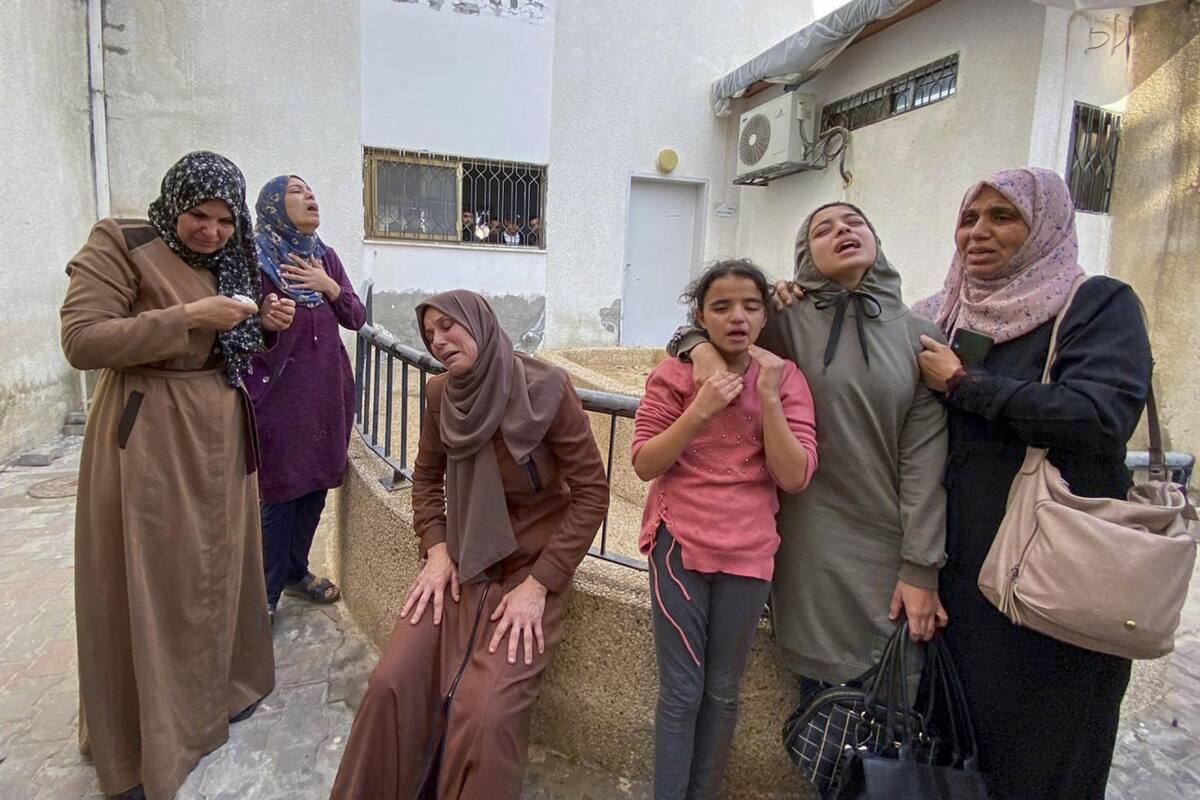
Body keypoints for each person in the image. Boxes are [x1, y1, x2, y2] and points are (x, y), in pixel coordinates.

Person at [60, 151, 295, 800]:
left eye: (226, 220)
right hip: (152, 436)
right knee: (153, 579)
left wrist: (263, 325)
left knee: (218, 569)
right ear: (173, 203)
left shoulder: (233, 257)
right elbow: (83, 340)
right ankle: (144, 745)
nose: (212, 232)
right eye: (199, 215)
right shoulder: (122, 241)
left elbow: (232, 341)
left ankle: (222, 694)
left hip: (220, 427)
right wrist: (189, 317)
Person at [913, 167, 1152, 800]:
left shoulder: (1096, 305)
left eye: (1003, 217)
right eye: (969, 218)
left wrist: (965, 385)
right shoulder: (943, 315)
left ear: (1045, 226)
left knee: (1044, 757)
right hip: (964, 584)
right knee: (959, 756)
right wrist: (789, 298)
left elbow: (1100, 415)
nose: (978, 232)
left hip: (1055, 582)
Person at [330, 290, 610, 800]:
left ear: (479, 323)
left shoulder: (547, 389)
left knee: (486, 714)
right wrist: (436, 550)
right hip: (460, 564)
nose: (438, 341)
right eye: (429, 333)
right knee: (390, 684)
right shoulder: (442, 395)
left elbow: (592, 493)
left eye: (448, 326)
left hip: (529, 570)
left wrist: (540, 585)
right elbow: (425, 477)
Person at [669, 203, 948, 697]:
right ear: (806, 253)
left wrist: (920, 565)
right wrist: (703, 350)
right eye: (824, 229)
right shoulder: (785, 319)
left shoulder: (917, 335)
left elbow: (924, 459)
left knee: (894, 690)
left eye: (854, 222)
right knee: (821, 695)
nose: (842, 230)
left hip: (887, 539)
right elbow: (696, 327)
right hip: (810, 536)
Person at [633, 259, 818, 800]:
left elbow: (794, 475)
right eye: (721, 306)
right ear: (700, 317)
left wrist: (769, 397)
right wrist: (700, 409)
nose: (737, 317)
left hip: (749, 551)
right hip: (679, 546)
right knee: (681, 690)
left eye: (750, 306)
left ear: (765, 315)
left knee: (722, 691)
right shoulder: (674, 376)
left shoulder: (786, 378)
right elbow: (644, 462)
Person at [247, 175, 367, 625]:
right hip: (278, 397)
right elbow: (236, 330)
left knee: (316, 485)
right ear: (273, 205)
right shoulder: (254, 259)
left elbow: (355, 316)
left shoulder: (324, 257)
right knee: (280, 491)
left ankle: (296, 571)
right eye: (296, 191)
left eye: (311, 189)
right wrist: (262, 319)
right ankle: (266, 591)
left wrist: (327, 285)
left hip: (326, 393)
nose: (310, 195)